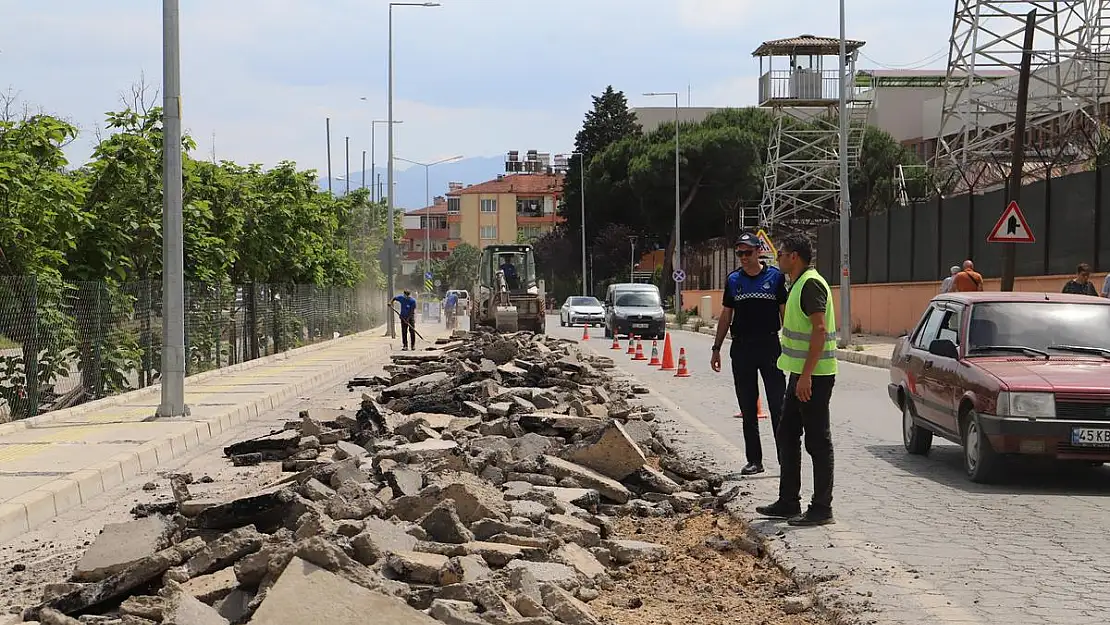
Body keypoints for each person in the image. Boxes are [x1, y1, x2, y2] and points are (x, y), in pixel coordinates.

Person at [756, 233, 837, 527]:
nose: (778, 259)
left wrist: (805, 376)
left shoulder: (811, 284)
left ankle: (821, 508)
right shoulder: (798, 283)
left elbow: (819, 331)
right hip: (800, 374)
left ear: (794, 257)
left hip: (813, 376)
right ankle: (789, 501)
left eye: (781, 254)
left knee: (817, 440)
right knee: (787, 433)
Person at [710, 232, 788, 476]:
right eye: (740, 253)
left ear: (758, 252)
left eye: (748, 252)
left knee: (778, 405)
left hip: (769, 346)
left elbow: (785, 312)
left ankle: (785, 459)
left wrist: (793, 346)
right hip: (742, 348)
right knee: (747, 405)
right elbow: (726, 315)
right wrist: (716, 348)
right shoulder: (734, 280)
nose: (743, 257)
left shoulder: (775, 277)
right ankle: (754, 460)